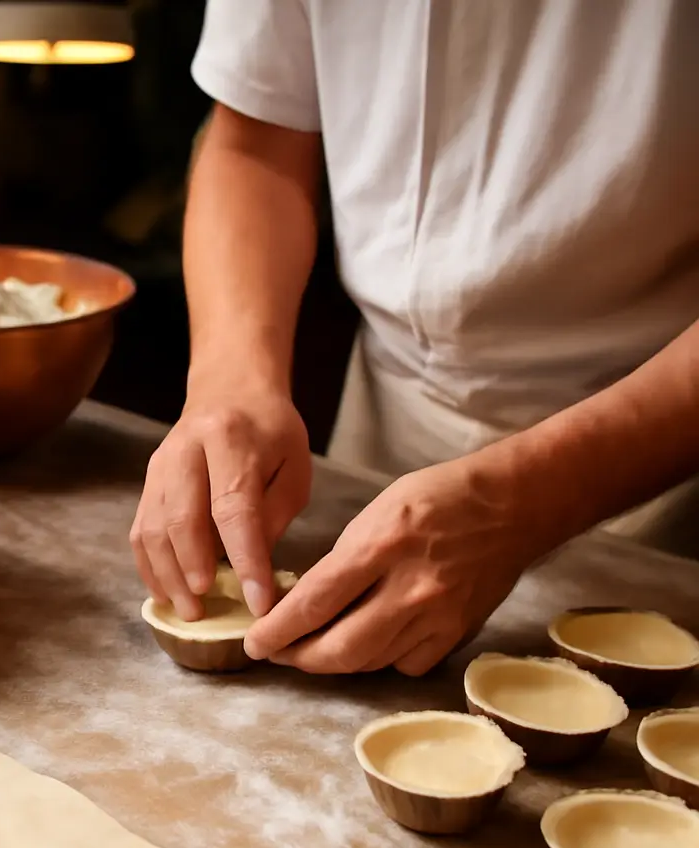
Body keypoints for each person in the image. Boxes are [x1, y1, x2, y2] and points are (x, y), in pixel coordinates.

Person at [130, 0, 699, 677]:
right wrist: (231, 379)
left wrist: (520, 500)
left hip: (654, 473)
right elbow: (256, 135)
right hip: (381, 441)